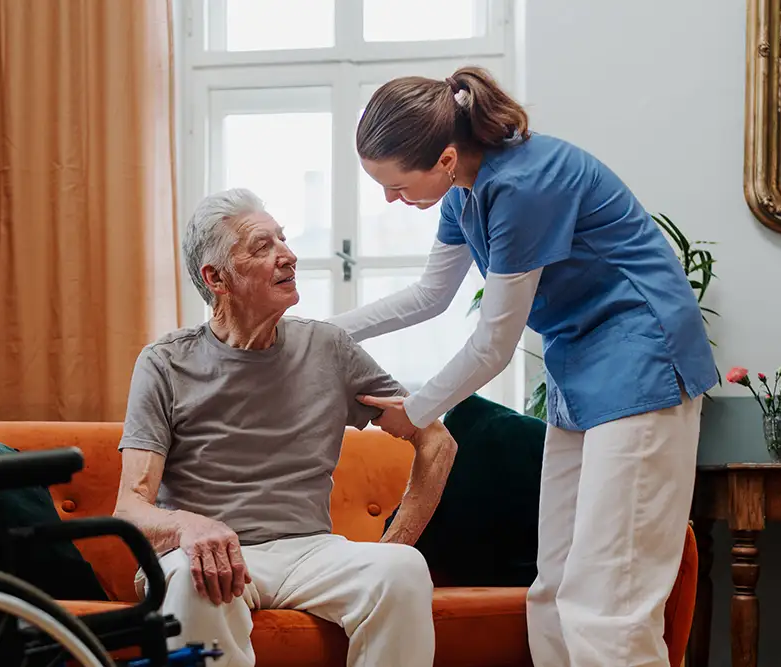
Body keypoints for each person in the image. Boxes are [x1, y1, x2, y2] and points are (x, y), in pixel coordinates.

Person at [326, 66, 718, 667]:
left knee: (608, 600)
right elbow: (430, 295)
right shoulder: (462, 189)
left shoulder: (524, 185)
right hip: (579, 367)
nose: (389, 200)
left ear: (446, 157)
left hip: (642, 364)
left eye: (398, 187)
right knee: (555, 590)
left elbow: (493, 344)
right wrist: (323, 333)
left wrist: (418, 410)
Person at [113, 188, 457, 667]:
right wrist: (186, 527)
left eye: (284, 240)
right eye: (262, 246)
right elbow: (129, 508)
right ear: (217, 278)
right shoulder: (165, 363)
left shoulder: (329, 349)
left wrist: (396, 540)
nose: (288, 255)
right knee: (196, 581)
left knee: (400, 569)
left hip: (310, 552)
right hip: (206, 554)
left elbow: (435, 439)